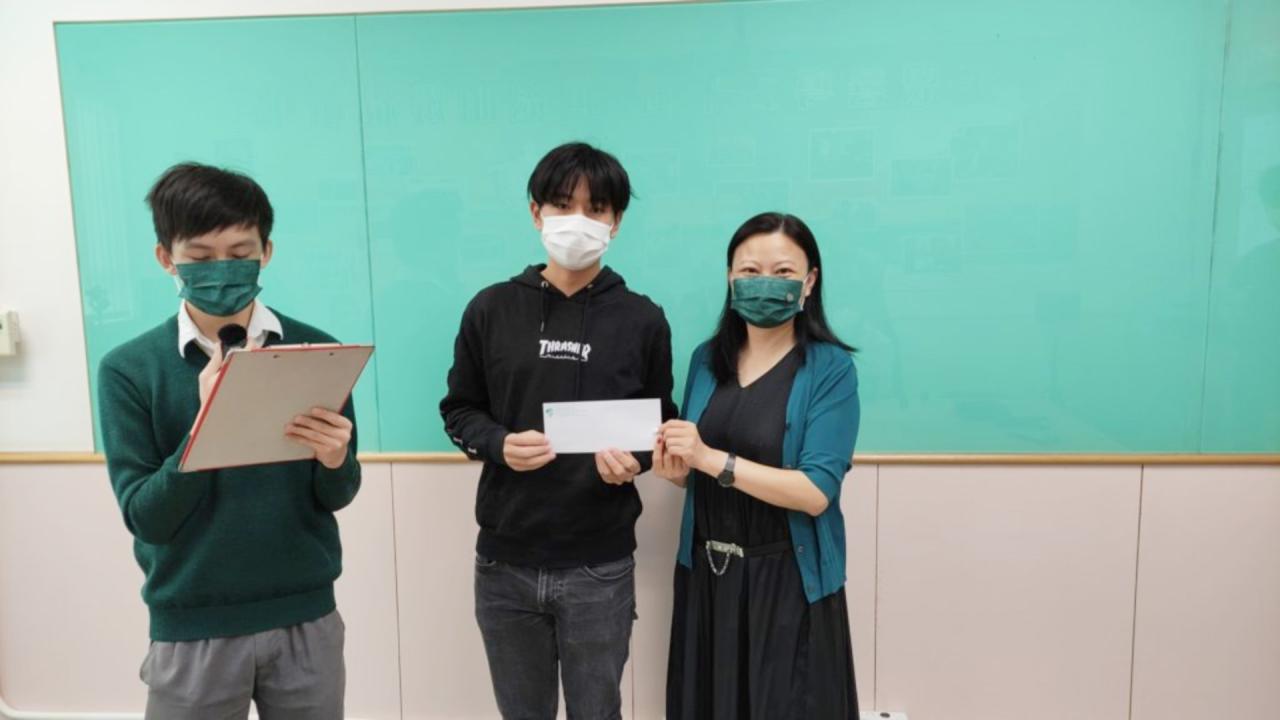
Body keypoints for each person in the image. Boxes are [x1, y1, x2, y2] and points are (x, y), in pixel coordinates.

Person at [99, 162, 360, 719]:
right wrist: (207, 422)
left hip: (306, 617)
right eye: (199, 257)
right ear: (165, 258)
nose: (221, 269)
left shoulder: (316, 351)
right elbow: (147, 517)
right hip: (193, 625)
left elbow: (337, 495)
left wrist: (337, 460)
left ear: (267, 252)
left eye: (240, 252)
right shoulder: (129, 369)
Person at [440, 142, 678, 719]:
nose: (578, 220)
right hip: (505, 562)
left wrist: (637, 460)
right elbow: (460, 410)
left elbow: (658, 422)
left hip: (600, 564)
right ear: (535, 212)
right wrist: (498, 444)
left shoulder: (643, 319)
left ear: (616, 221)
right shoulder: (491, 309)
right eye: (562, 205)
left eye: (596, 208)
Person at [654, 212, 862, 719]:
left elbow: (815, 492)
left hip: (787, 583)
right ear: (730, 277)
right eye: (749, 270)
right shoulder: (706, 360)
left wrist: (710, 459)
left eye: (783, 271)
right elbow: (697, 471)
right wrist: (679, 472)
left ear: (809, 281)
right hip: (707, 576)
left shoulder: (831, 368)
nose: (764, 282)